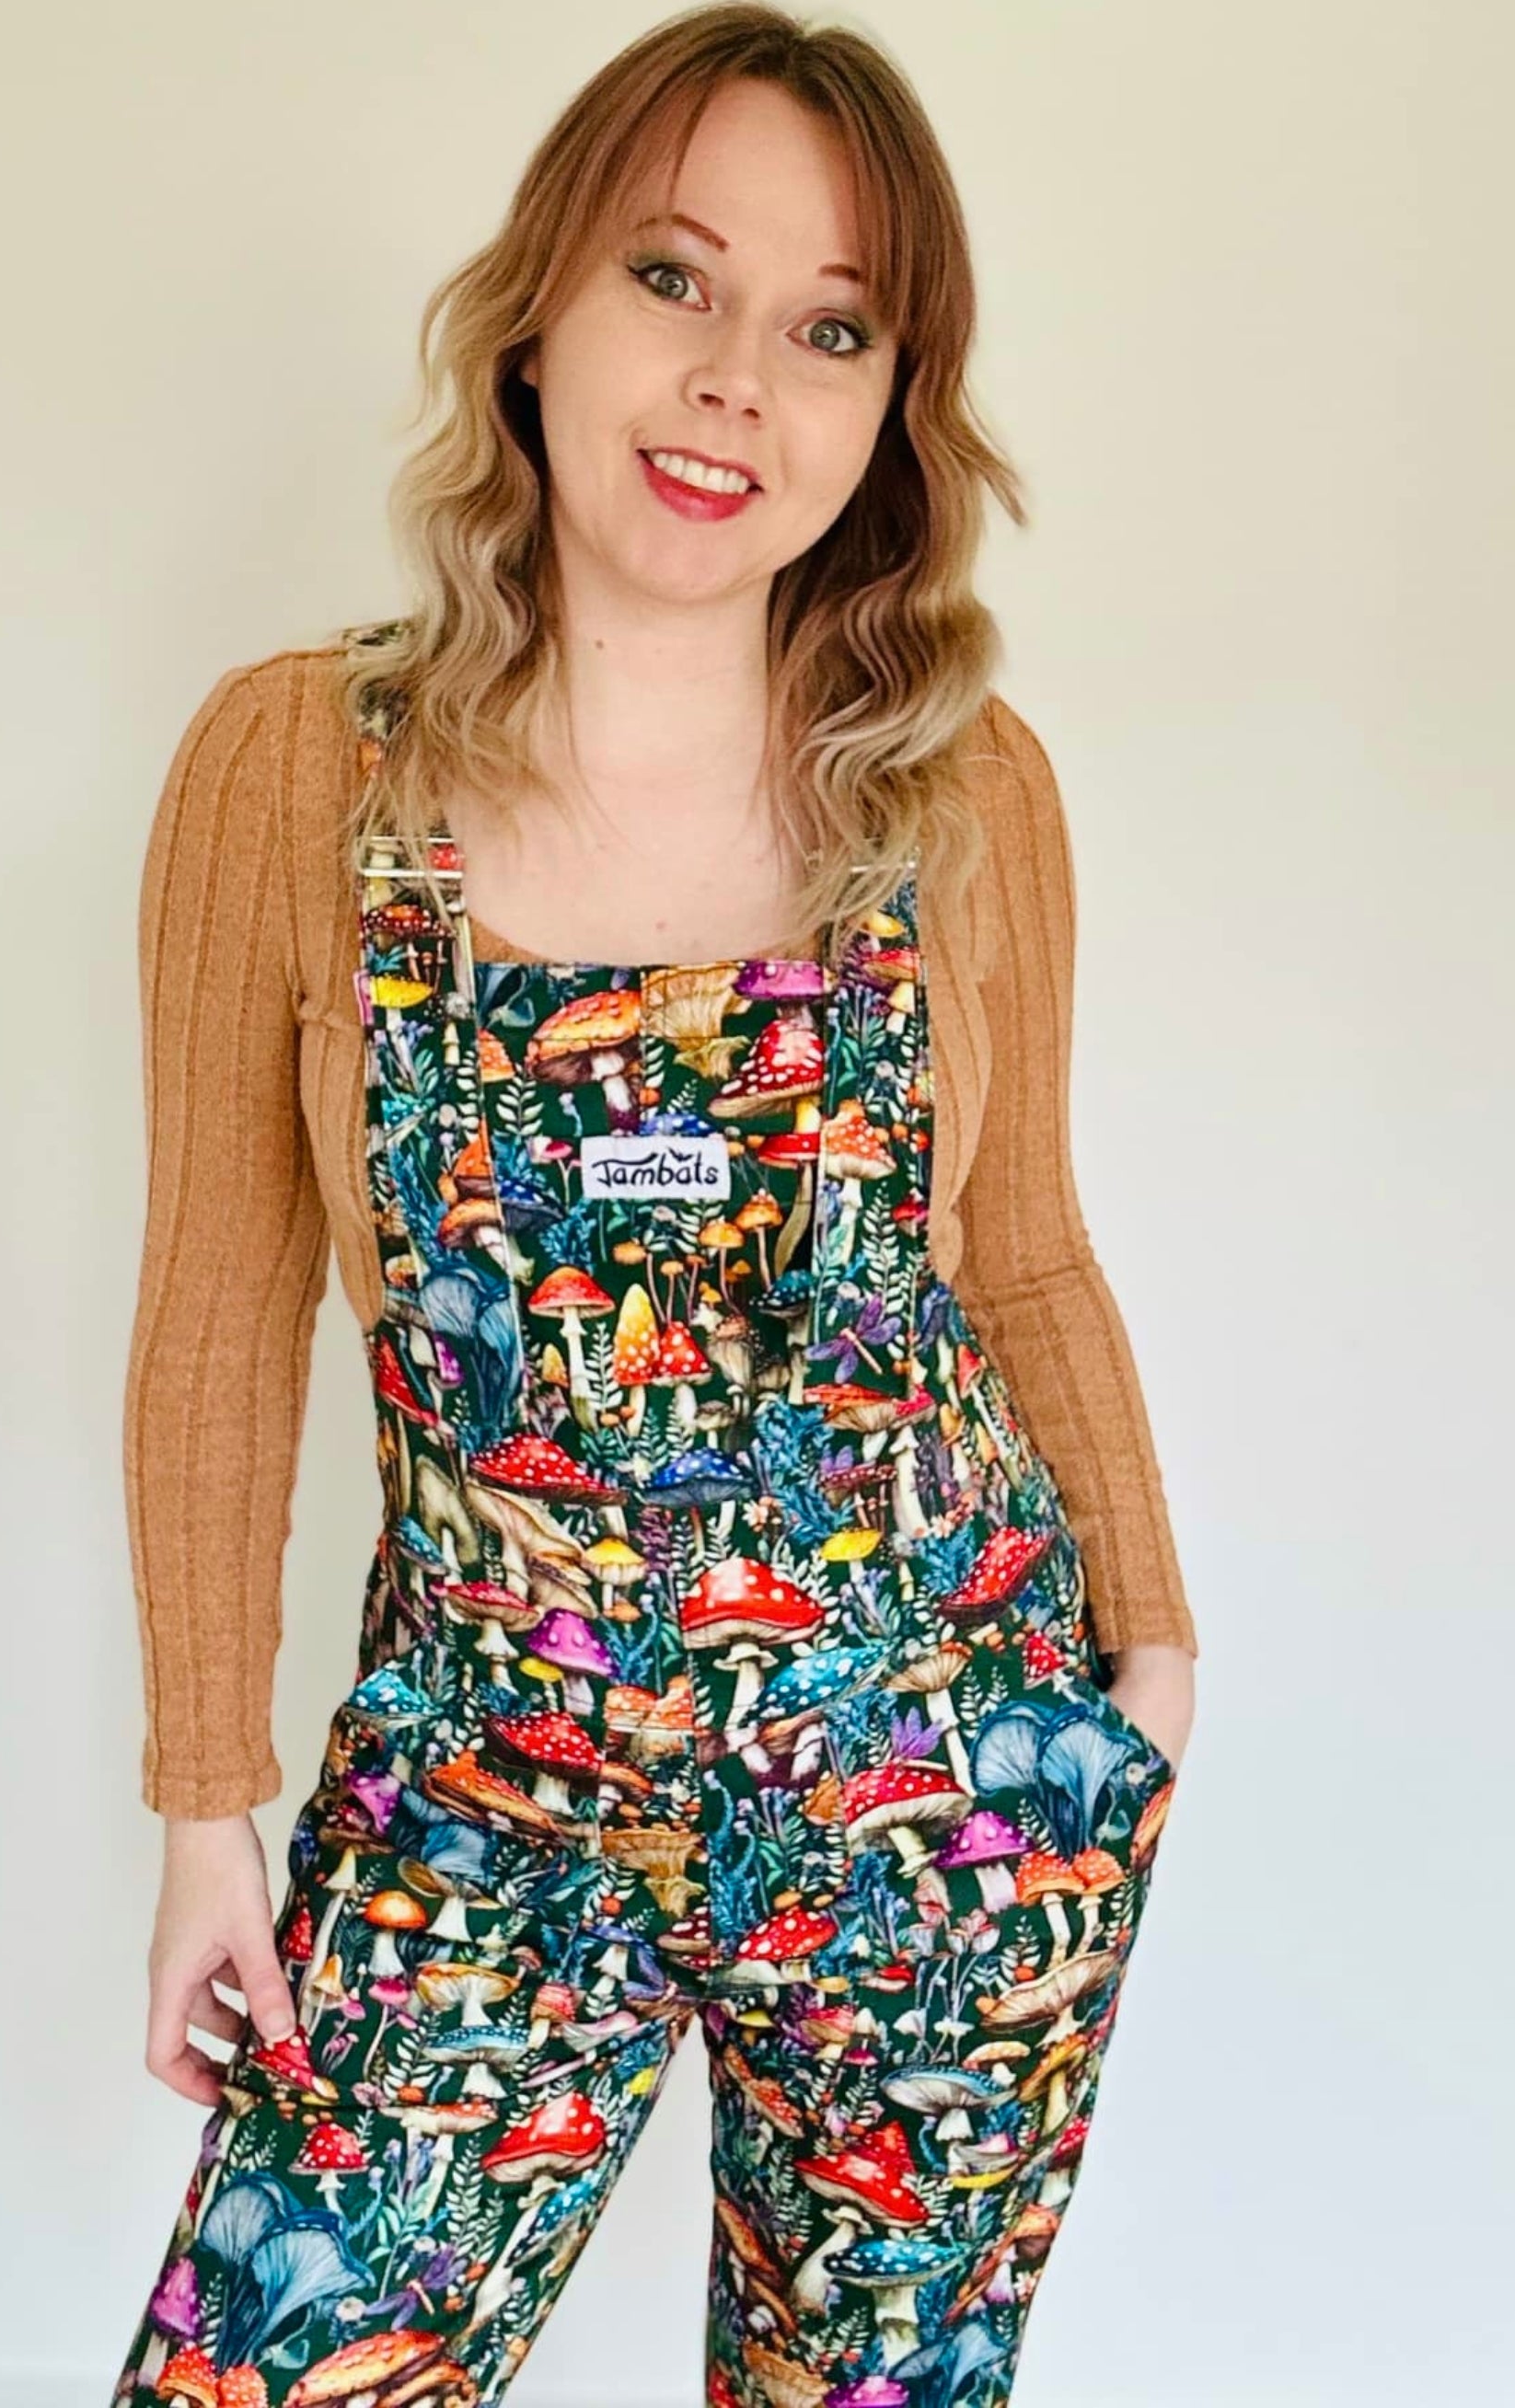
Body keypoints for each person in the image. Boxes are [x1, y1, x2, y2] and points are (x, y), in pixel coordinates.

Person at [111, 8, 1199, 2402]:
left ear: (891, 410)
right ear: (538, 310)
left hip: (943, 1793)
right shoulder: (295, 767)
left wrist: (1147, 1655)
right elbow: (214, 1308)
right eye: (674, 277)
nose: (734, 385)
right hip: (482, 1804)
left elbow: (1021, 1246)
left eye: (830, 331)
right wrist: (209, 1804)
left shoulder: (961, 791)